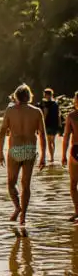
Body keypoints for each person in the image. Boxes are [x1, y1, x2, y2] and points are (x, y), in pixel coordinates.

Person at [0, 84, 47, 225]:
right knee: (26, 185)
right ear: (29, 96)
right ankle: (23, 217)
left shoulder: (10, 110)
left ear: (16, 96)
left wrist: (0, 152)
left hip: (15, 150)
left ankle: (17, 207)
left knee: (11, 183)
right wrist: (44, 156)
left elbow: (2, 132)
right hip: (30, 150)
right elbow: (42, 135)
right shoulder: (37, 112)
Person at [61, 92, 78, 221]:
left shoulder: (71, 116)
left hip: (76, 150)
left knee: (73, 184)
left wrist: (63, 155)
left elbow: (66, 137)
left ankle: (77, 211)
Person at [40, 88, 61, 163]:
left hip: (48, 123)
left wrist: (42, 123)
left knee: (49, 142)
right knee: (53, 141)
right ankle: (52, 156)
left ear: (46, 95)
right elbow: (58, 114)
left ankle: (51, 157)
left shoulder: (46, 103)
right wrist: (59, 124)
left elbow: (45, 114)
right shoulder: (56, 103)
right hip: (54, 124)